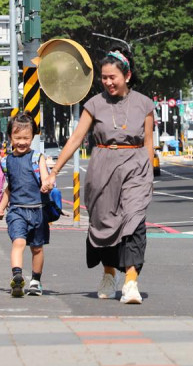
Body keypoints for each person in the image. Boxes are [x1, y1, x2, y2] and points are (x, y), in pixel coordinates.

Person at [45, 48, 155, 304]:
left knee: (134, 222)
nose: (107, 82)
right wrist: (54, 172)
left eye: (112, 77)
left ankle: (130, 282)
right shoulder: (94, 104)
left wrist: (148, 174)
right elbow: (75, 139)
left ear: (127, 75)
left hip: (136, 166)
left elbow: (148, 143)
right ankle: (108, 274)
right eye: (104, 77)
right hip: (103, 167)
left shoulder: (144, 104)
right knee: (106, 224)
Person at [0, 111, 50, 297]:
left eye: (26, 138)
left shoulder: (37, 158)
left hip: (38, 210)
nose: (21, 142)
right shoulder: (6, 161)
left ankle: (35, 280)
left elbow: (45, 177)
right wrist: (0, 208)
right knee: (18, 242)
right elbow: (9, 188)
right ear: (10, 136)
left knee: (37, 248)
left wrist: (46, 184)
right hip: (17, 211)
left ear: (33, 137)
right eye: (17, 137)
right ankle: (17, 277)